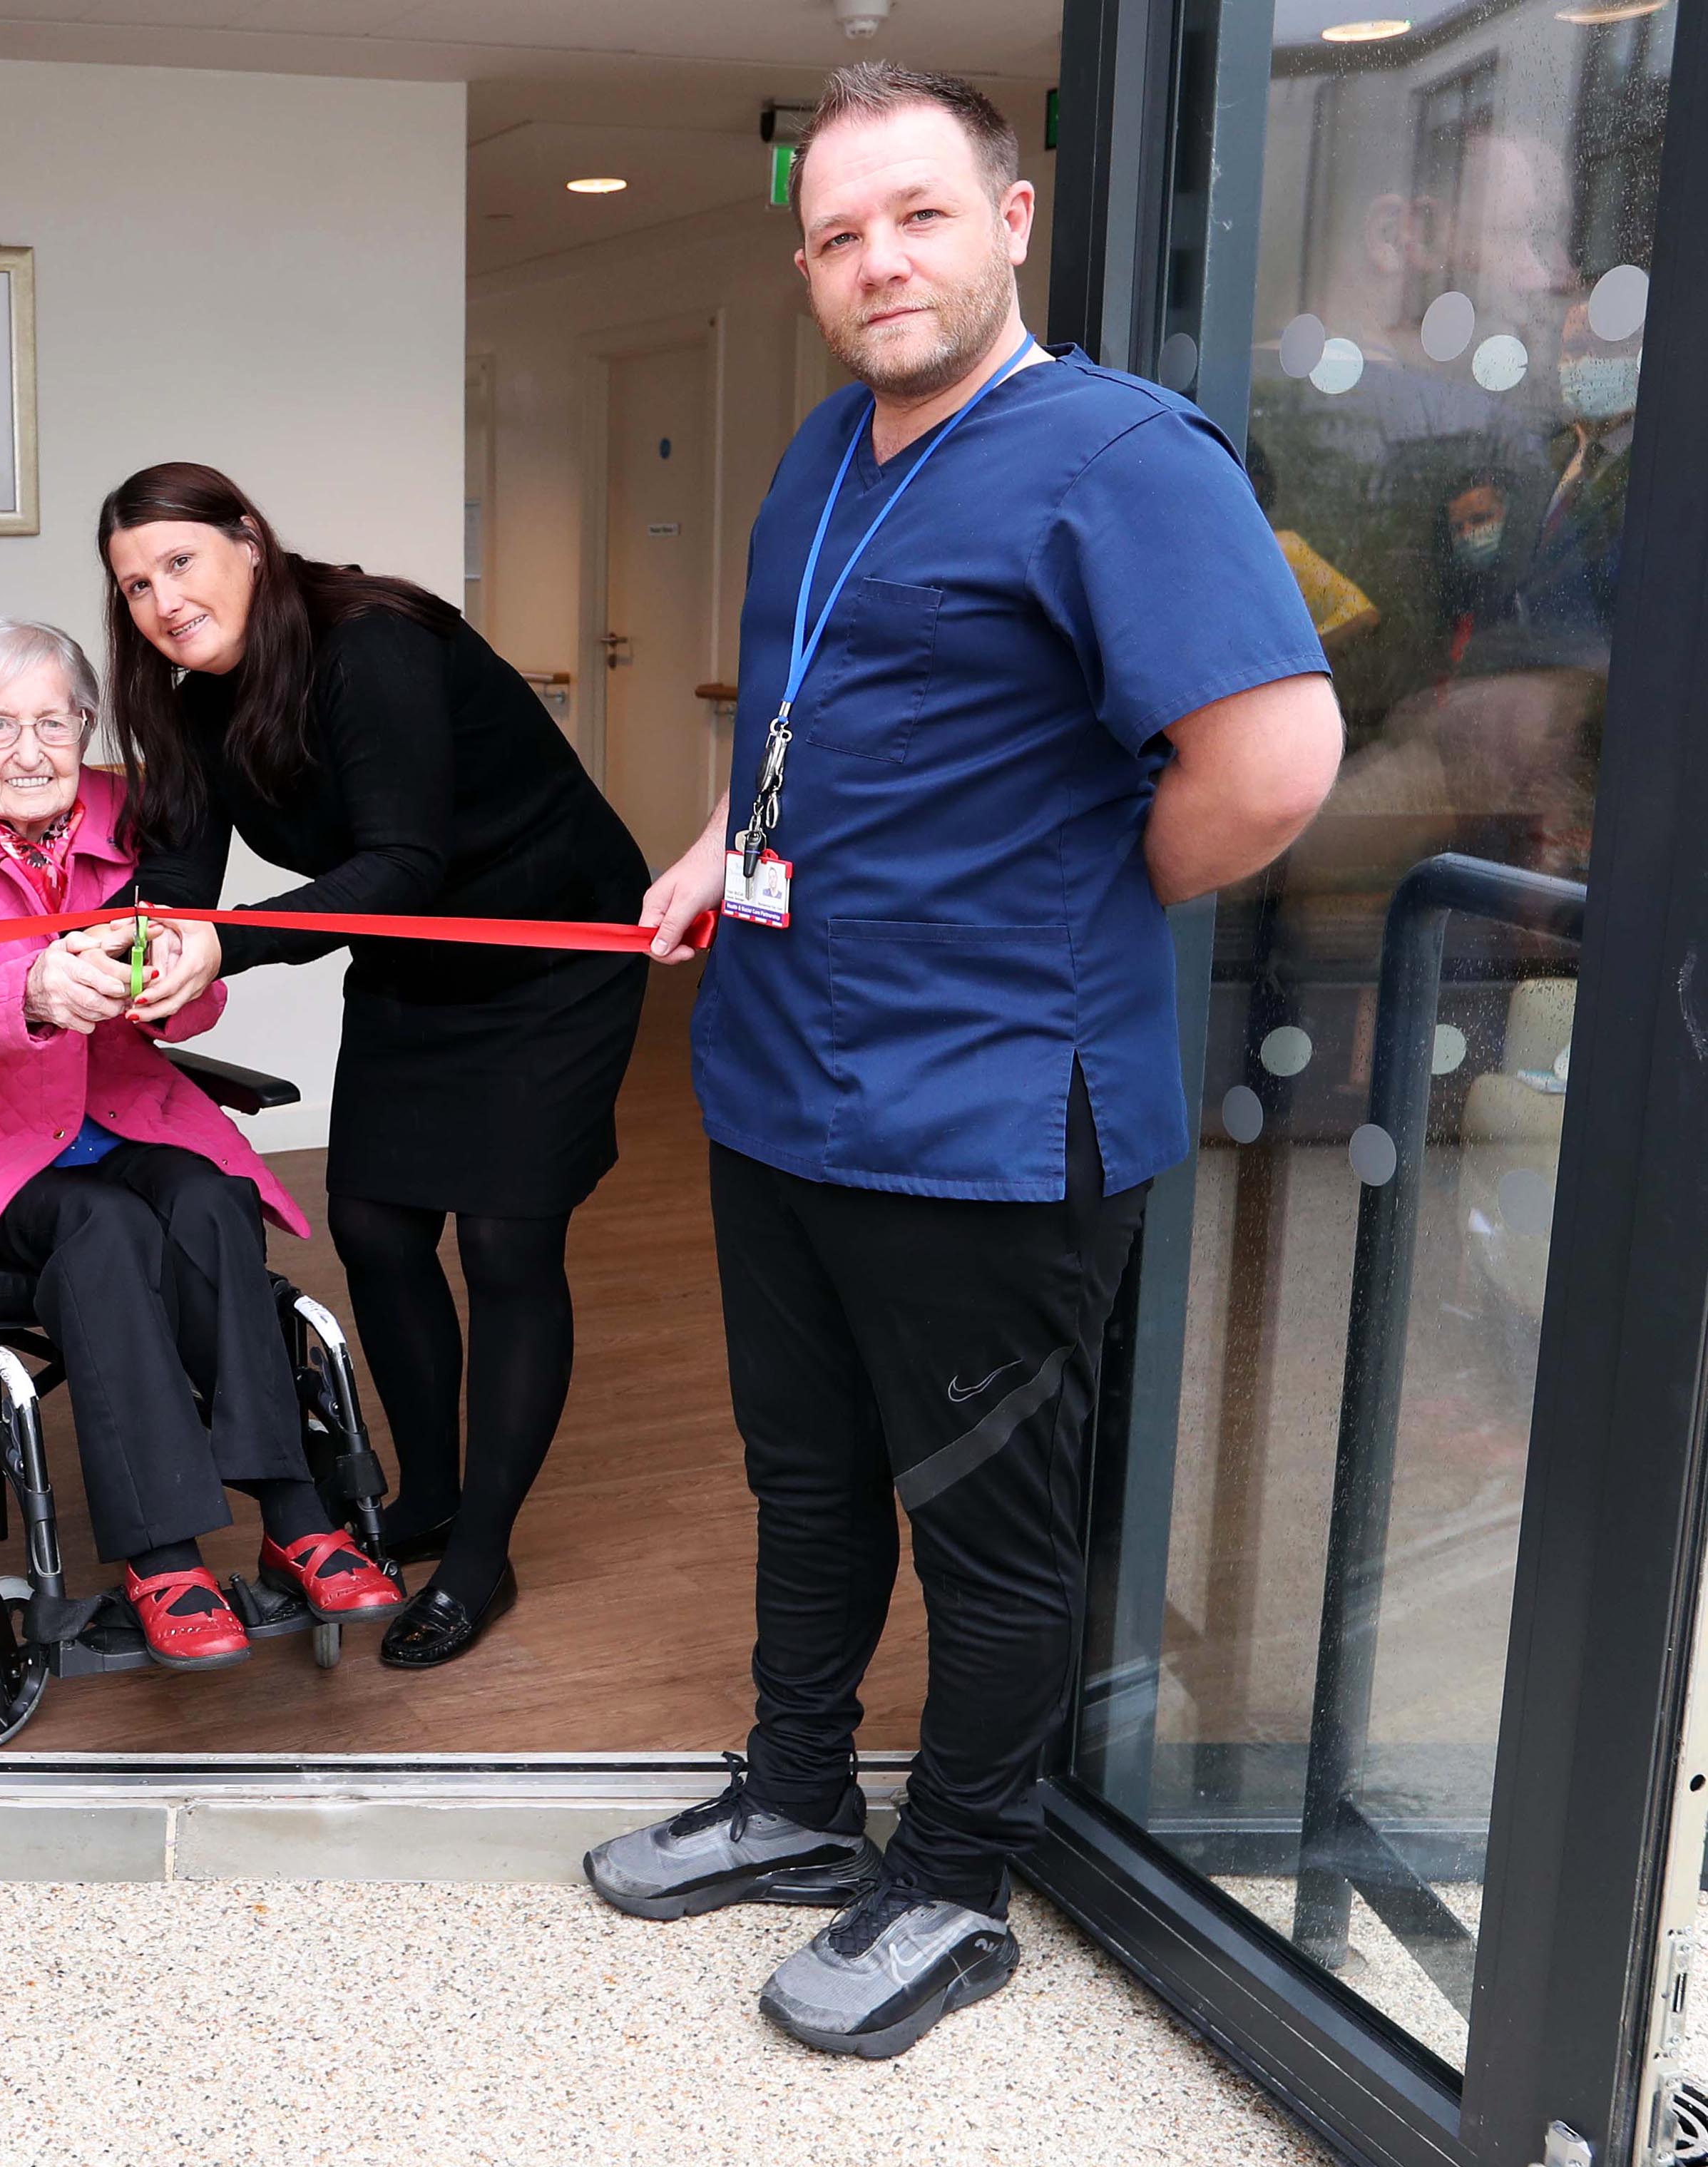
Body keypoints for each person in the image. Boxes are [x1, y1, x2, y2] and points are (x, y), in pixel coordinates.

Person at [583, 63, 1341, 2059]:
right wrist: (710, 848)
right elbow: (814, 725)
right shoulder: (829, 448)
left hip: (993, 1111)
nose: (872, 262)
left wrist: (1061, 906)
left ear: (1011, 221)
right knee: (804, 1475)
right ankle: (794, 1791)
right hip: (776, 1078)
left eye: (914, 215)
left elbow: (1267, 769)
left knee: (988, 1527)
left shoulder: (1116, 455)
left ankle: (950, 1876)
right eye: (835, 233)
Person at [95, 463, 654, 1671]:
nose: (162, 600)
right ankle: (430, 1494)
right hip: (420, 971)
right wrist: (123, 959)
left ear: (248, 539)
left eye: (180, 561)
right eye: (136, 584)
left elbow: (399, 863)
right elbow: (179, 894)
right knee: (378, 1227)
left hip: (555, 951)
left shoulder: (372, 645)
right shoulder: (194, 706)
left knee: (507, 1242)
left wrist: (223, 944)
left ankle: (482, 1555)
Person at [0, 618, 405, 1666]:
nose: (29, 750)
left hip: (115, 1111)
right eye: (1, 724)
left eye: (54, 722)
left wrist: (175, 982)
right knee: (104, 1229)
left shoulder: (138, 812)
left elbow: (189, 995)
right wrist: (29, 987)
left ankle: (296, 1518)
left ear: (89, 726)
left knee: (207, 1199)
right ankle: (162, 1555)